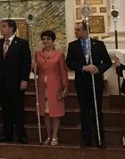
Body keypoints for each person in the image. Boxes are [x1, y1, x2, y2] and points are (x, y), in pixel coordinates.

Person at [65, 20, 112, 148]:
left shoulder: (98, 44)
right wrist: (83, 68)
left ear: (86, 30)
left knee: (97, 110)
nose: (76, 32)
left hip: (96, 82)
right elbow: (69, 62)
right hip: (81, 83)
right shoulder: (73, 45)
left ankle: (100, 138)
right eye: (75, 30)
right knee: (84, 111)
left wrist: (98, 69)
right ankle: (86, 138)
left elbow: (107, 62)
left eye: (78, 30)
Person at [0, 19, 31, 143]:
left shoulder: (22, 43)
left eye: (3, 27)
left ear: (11, 28)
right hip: (2, 82)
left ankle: (21, 135)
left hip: (16, 82)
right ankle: (7, 134)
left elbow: (26, 63)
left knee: (18, 108)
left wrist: (24, 79)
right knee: (5, 109)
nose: (1, 29)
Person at [33, 30, 68, 146]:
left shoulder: (59, 54)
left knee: (55, 112)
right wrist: (33, 67)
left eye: (48, 39)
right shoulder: (37, 54)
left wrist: (65, 87)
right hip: (42, 86)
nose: (45, 41)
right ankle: (48, 135)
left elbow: (63, 72)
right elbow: (36, 71)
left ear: (53, 40)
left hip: (55, 85)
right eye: (43, 39)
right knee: (45, 112)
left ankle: (55, 136)